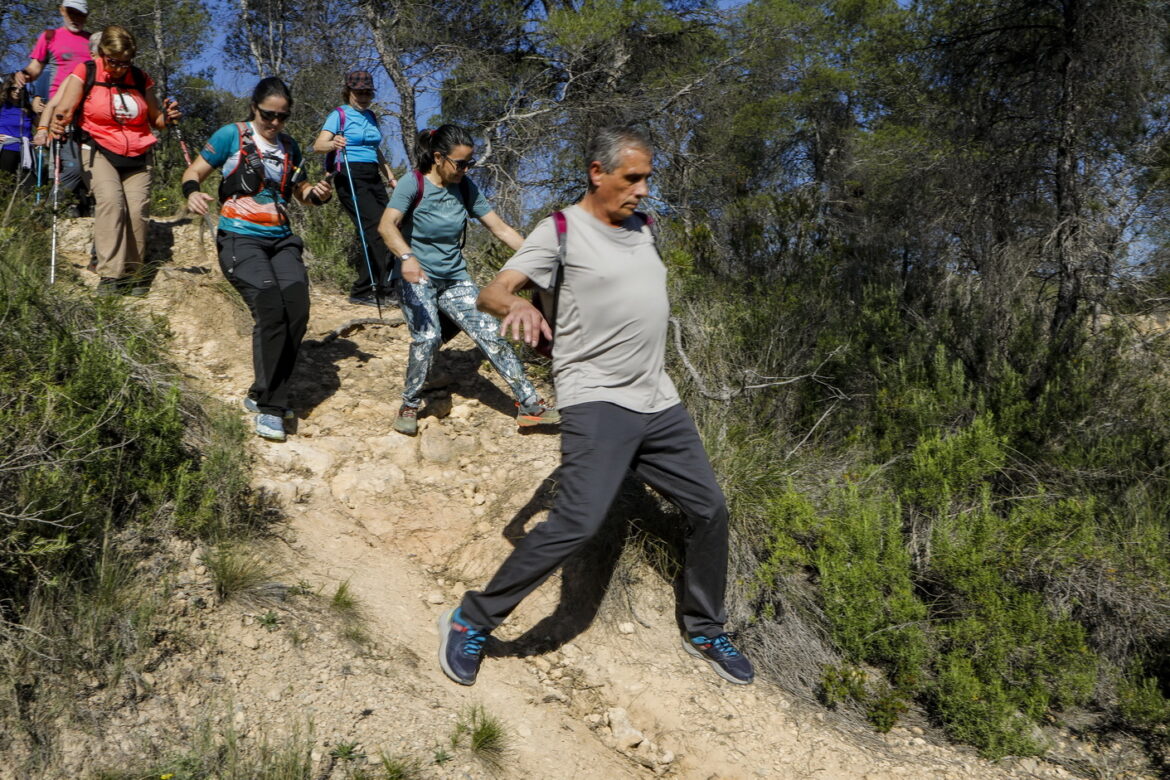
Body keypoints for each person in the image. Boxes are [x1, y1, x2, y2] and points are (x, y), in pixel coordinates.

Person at [437, 126, 755, 687]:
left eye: (647, 179)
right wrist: (520, 307)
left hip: (658, 399)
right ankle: (471, 620)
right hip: (598, 398)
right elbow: (492, 292)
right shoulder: (560, 230)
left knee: (710, 509)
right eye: (632, 178)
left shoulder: (644, 228)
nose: (643, 190)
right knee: (577, 523)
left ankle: (704, 627)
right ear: (597, 172)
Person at [377, 124, 559, 436]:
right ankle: (409, 404)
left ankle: (530, 405)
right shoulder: (413, 183)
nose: (465, 170)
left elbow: (500, 228)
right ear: (438, 158)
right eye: (460, 163)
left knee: (490, 333)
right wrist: (407, 257)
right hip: (416, 275)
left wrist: (542, 261)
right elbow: (386, 225)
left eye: (469, 163)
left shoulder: (465, 188)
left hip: (454, 278)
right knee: (428, 337)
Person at [181, 77, 335, 443]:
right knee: (269, 305)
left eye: (283, 117)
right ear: (255, 108)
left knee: (296, 308)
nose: (275, 123)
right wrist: (193, 193)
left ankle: (262, 391)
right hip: (239, 237)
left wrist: (319, 193)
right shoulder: (231, 136)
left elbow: (302, 194)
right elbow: (194, 172)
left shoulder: (289, 147)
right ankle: (271, 408)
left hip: (281, 238)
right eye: (269, 115)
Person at [47, 25, 179, 295]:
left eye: (124, 63)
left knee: (137, 210)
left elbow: (156, 119)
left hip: (138, 152)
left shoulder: (140, 78)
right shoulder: (87, 71)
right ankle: (109, 275)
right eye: (113, 61)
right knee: (111, 202)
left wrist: (168, 118)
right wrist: (56, 124)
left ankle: (133, 273)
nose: (118, 68)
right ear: (102, 53)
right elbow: (65, 109)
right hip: (98, 149)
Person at [312, 70, 399, 307]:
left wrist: (391, 177)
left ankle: (368, 288)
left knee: (390, 226)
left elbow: (375, 150)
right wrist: (333, 143)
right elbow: (318, 145)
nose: (363, 97)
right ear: (348, 92)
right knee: (376, 229)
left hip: (372, 175)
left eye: (367, 93)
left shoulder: (370, 116)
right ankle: (381, 290)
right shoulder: (339, 115)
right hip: (350, 173)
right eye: (359, 92)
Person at [16, 0, 94, 215]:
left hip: (90, 112)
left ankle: (81, 214)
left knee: (91, 167)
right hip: (60, 110)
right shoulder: (50, 37)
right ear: (62, 11)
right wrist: (24, 74)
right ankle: (46, 215)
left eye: (80, 14)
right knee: (71, 167)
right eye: (71, 12)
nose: (75, 18)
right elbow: (35, 68)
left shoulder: (92, 41)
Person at [0, 74, 36, 184]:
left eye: (21, 89)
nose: (17, 91)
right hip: (6, 150)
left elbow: (41, 126)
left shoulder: (28, 109)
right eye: (14, 88)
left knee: (29, 186)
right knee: (5, 185)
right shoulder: (2, 105)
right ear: (8, 88)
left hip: (26, 152)